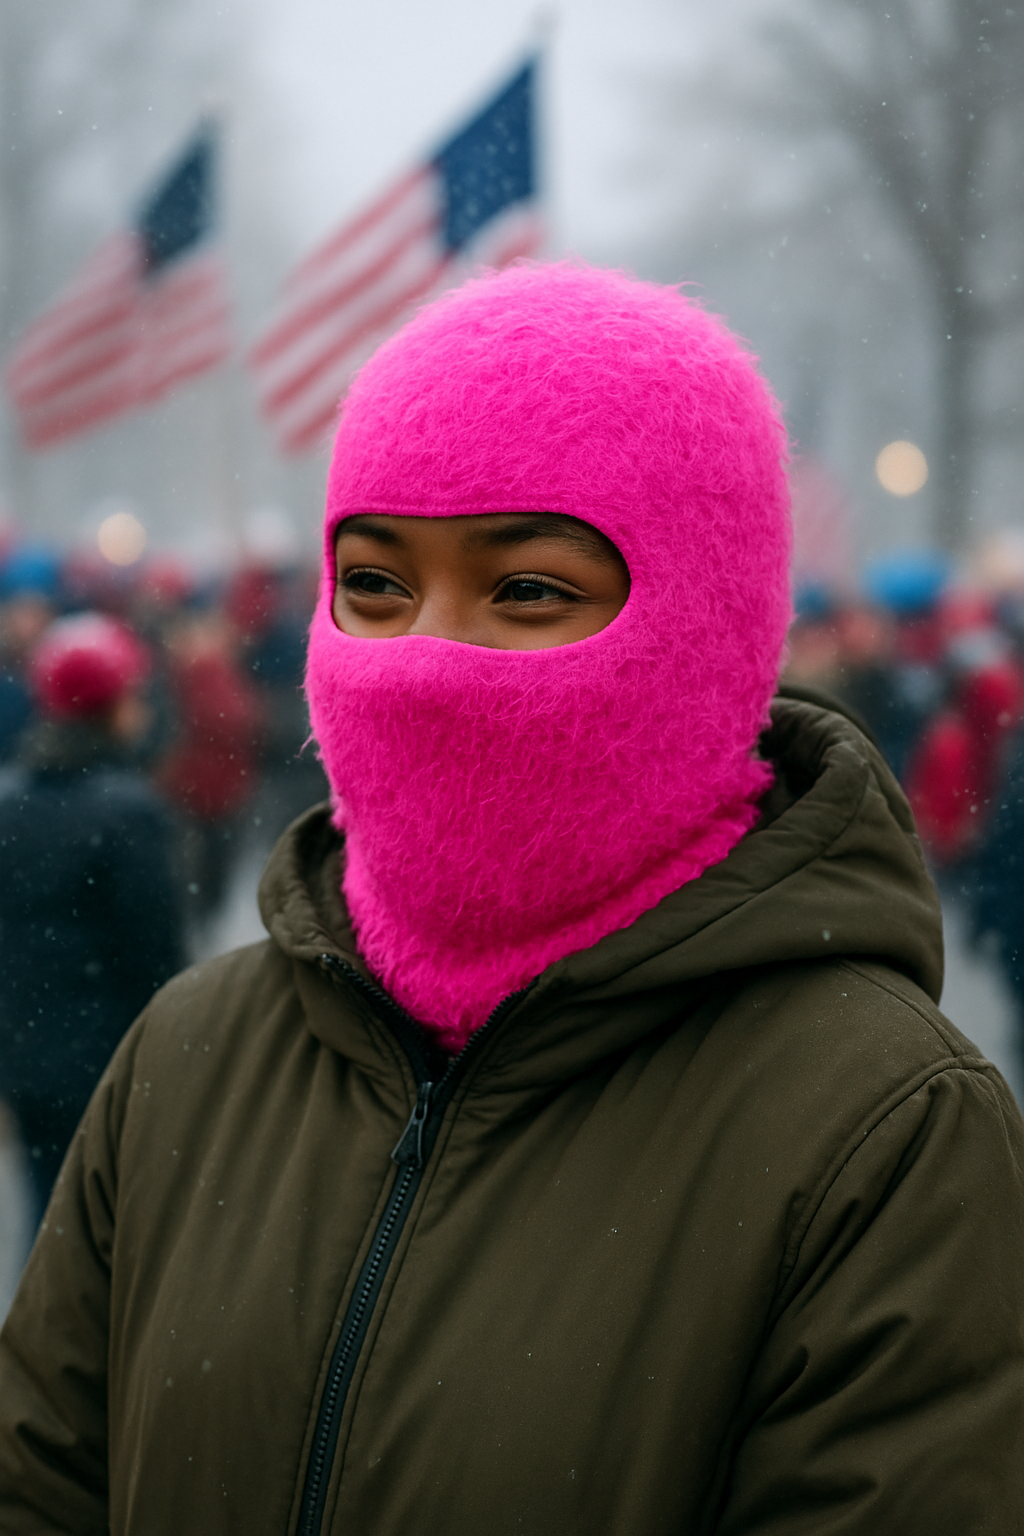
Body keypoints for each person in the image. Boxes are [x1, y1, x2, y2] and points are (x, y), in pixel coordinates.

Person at [1, 263, 1022, 1534]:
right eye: (373, 584)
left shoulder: (884, 1131)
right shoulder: (187, 1058)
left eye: (527, 589)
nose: (425, 654)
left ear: (702, 632)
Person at [0, 612, 183, 1216]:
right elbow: (155, 955)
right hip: (109, 1056)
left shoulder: (10, 801)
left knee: (47, 1213)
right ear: (111, 705)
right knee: (105, 1226)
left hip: (24, 1052)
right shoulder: (129, 814)